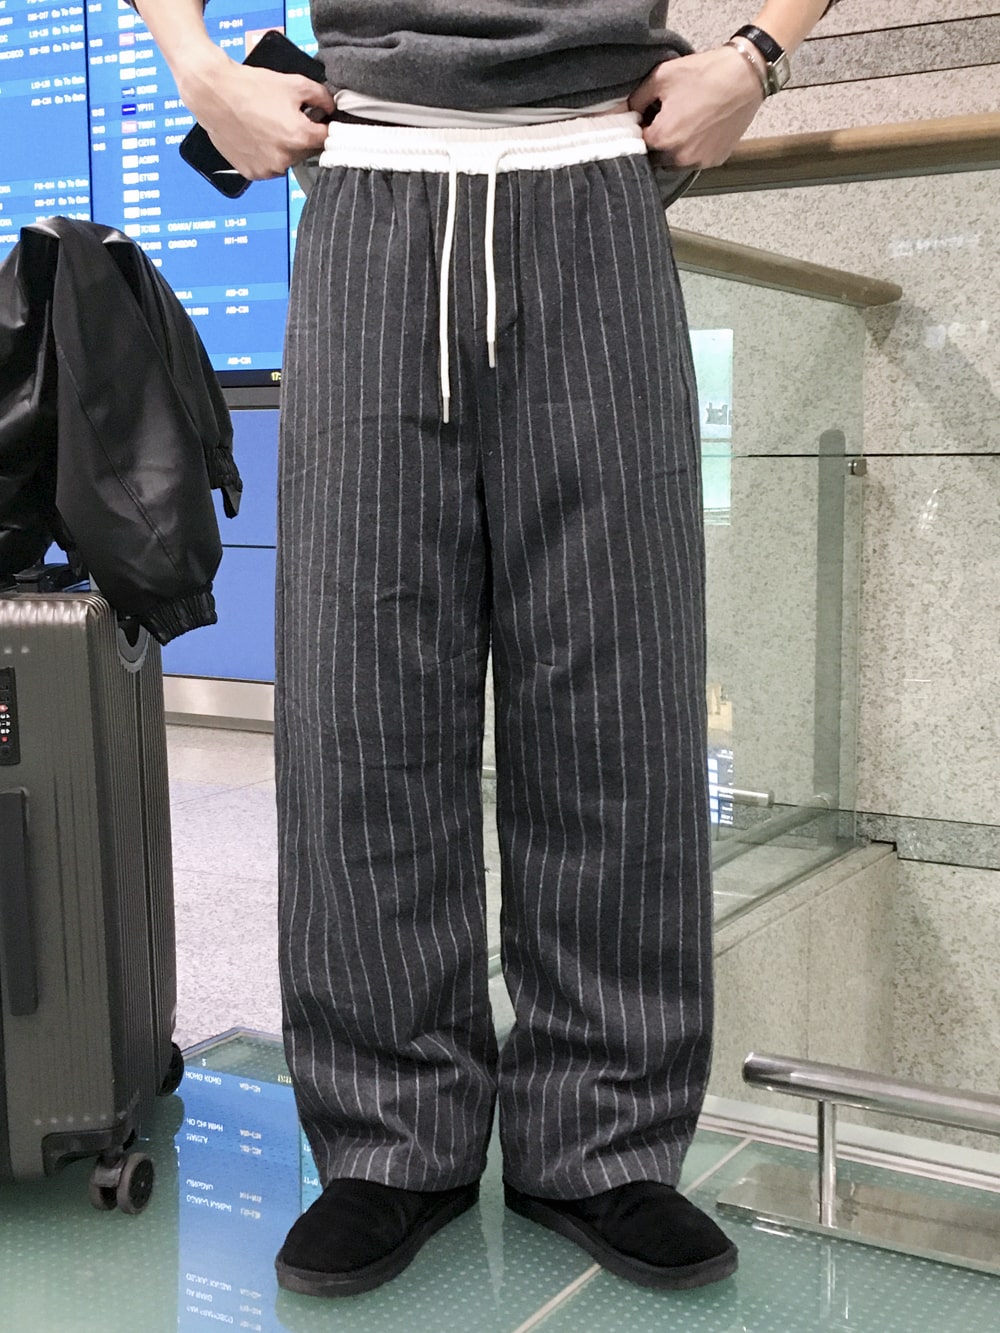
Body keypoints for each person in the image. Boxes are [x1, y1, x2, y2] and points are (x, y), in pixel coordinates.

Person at [135, 0, 838, 1300]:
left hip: (598, 182)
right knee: (359, 698)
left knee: (617, 691)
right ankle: (392, 1137)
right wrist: (195, 64)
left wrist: (757, 56)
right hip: (373, 187)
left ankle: (602, 1137)